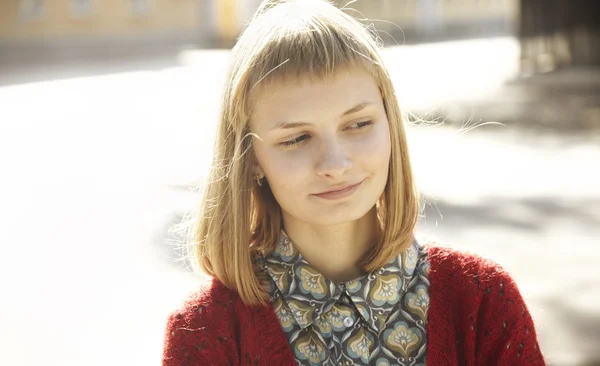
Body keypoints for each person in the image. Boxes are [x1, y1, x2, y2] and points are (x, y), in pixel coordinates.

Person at [162, 0, 546, 365]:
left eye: (358, 124)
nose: (335, 164)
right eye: (296, 139)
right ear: (250, 162)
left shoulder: (482, 300)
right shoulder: (205, 331)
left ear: (390, 126)